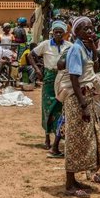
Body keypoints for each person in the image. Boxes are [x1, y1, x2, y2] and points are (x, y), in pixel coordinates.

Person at [55, 16, 100, 198]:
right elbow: (74, 79)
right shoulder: (75, 49)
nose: (90, 32)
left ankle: (74, 180)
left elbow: (96, 69)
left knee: (83, 139)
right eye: (85, 29)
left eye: (91, 28)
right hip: (77, 100)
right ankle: (69, 184)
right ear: (77, 33)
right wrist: (83, 105)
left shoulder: (87, 49)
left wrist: (95, 50)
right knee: (74, 140)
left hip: (86, 97)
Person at [29, 20, 72, 154]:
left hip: (63, 78)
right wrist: (36, 69)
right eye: (56, 32)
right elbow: (31, 55)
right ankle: (47, 136)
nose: (58, 35)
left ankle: (60, 136)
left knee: (61, 107)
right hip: (49, 77)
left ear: (65, 33)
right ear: (52, 33)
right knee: (47, 107)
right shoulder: (45, 44)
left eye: (60, 32)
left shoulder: (69, 46)